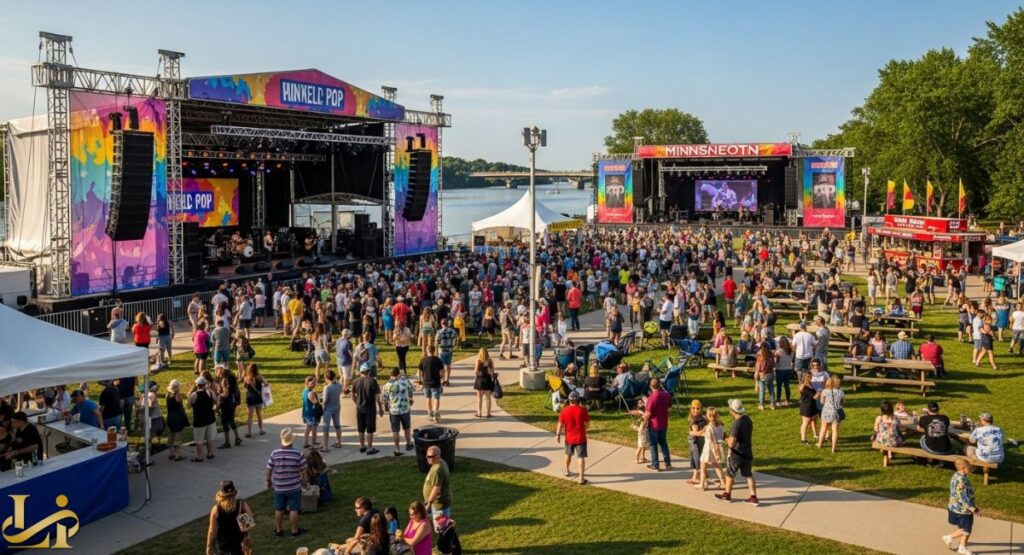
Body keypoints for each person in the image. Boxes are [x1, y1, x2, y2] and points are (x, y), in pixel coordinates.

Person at [714, 399, 758, 505]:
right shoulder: (747, 419)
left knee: (730, 474)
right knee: (748, 475)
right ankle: (753, 497)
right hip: (747, 452)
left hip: (737, 454)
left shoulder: (736, 424)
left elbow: (732, 442)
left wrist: (725, 439)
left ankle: (727, 494)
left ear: (732, 410)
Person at [265, 428, 308, 538]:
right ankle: (294, 530)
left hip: (279, 487)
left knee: (279, 509)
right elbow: (303, 470)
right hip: (294, 486)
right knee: (294, 509)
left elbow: (269, 469)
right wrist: (305, 482)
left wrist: (268, 481)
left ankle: (279, 530)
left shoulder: (274, 453)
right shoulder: (298, 454)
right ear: (292, 440)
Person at [205, 480, 254, 555]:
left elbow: (212, 529)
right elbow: (248, 525)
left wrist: (208, 545)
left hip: (222, 547)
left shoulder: (216, 509)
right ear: (234, 493)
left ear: (221, 494)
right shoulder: (242, 505)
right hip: (239, 545)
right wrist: (248, 537)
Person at [944, 459, 980, 555]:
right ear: (963, 468)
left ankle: (962, 547)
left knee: (965, 528)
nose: (971, 468)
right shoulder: (962, 481)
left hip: (955, 507)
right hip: (962, 510)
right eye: (969, 467)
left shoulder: (956, 475)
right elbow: (962, 498)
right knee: (966, 529)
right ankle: (949, 538)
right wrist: (973, 508)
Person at [556, 391, 591, 485]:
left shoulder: (564, 410)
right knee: (581, 457)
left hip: (569, 438)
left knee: (568, 454)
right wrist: (583, 428)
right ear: (578, 399)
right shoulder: (583, 410)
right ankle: (581, 478)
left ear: (569, 400)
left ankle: (567, 471)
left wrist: (558, 434)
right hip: (581, 438)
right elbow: (587, 425)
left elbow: (560, 424)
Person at [353, 363, 384, 455]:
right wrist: (380, 408)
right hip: (370, 408)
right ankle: (370, 448)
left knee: (361, 428)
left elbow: (353, 395)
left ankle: (362, 446)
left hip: (359, 408)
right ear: (369, 371)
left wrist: (357, 403)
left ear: (361, 371)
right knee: (370, 429)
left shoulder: (356, 381)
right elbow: (377, 397)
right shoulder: (372, 381)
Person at [383, 367, 415, 457]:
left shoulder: (387, 385)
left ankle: (397, 449)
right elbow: (411, 390)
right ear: (398, 374)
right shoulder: (405, 382)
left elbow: (384, 399)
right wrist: (410, 399)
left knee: (395, 430)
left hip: (393, 411)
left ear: (391, 375)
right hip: (405, 409)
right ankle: (409, 444)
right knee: (407, 428)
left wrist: (386, 407)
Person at [643, 377, 672, 472]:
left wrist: (641, 414)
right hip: (664, 423)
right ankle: (667, 463)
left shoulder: (651, 398)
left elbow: (648, 414)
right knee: (663, 443)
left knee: (653, 445)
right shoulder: (666, 395)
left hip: (653, 425)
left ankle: (655, 464)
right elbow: (669, 407)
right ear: (660, 384)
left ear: (651, 386)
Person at [697, 406, 726, 491]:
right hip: (718, 447)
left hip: (709, 448)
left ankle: (702, 484)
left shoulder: (709, 427)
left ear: (708, 416)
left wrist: (697, 433)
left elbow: (709, 438)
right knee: (716, 465)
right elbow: (721, 436)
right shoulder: (720, 426)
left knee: (703, 466)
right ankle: (723, 483)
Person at [188, 376, 217, 462]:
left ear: (197, 385)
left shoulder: (193, 395)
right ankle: (210, 453)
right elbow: (216, 401)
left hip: (199, 420)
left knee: (199, 440)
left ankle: (199, 457)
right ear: (205, 384)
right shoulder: (210, 392)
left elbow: (188, 406)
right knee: (209, 438)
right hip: (210, 419)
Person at [817, 375, 845, 453]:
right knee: (835, 430)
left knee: (823, 428)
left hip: (826, 411)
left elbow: (822, 402)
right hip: (836, 413)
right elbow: (842, 403)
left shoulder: (825, 391)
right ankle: (833, 448)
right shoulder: (841, 391)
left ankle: (819, 444)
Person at [423, 445, 453, 518]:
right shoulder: (441, 462)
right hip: (440, 503)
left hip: (438, 505)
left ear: (438, 456)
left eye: (431, 456)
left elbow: (436, 488)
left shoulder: (437, 469)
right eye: (427, 456)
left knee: (440, 528)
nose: (428, 459)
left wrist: (429, 504)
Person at [216, 365, 242, 449]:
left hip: (225, 404)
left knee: (224, 423)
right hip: (232, 403)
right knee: (231, 420)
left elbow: (225, 394)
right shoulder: (232, 379)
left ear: (223, 374)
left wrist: (219, 393)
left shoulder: (224, 381)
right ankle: (237, 437)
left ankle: (227, 442)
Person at [164, 380, 189, 461]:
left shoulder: (167, 395)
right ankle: (178, 455)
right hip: (178, 417)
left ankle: (171, 453)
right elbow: (181, 403)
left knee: (171, 434)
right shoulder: (178, 395)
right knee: (178, 436)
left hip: (170, 417)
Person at [419, 345, 445, 422]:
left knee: (428, 398)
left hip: (426, 383)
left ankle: (430, 413)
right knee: (436, 398)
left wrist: (420, 380)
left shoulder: (423, 360)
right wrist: (442, 379)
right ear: (434, 351)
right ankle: (436, 413)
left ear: (427, 351)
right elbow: (442, 372)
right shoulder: (438, 360)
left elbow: (420, 372)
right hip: (436, 382)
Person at [685, 399, 707, 485]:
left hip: (696, 442)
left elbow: (695, 433)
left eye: (698, 408)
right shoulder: (698, 418)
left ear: (701, 408)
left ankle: (698, 477)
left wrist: (691, 432)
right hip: (695, 442)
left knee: (697, 459)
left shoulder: (698, 419)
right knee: (694, 459)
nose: (695, 410)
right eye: (693, 408)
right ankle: (696, 477)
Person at [243, 364, 267, 437]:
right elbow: (266, 384)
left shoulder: (246, 378)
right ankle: (261, 429)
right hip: (258, 397)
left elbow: (245, 387)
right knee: (259, 414)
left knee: (250, 416)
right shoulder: (260, 377)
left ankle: (249, 432)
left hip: (250, 398)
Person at [321, 370, 343, 451]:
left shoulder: (327, 388)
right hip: (337, 406)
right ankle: (338, 442)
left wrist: (321, 400)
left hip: (328, 409)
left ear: (326, 378)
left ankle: (325, 446)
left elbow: (325, 400)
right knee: (337, 425)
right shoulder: (338, 385)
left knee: (326, 427)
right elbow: (340, 391)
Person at [473, 347, 496, 418]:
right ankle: (488, 413)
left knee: (479, 398)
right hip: (488, 380)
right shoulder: (490, 361)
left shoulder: (478, 360)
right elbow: (492, 371)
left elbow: (475, 372)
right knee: (488, 398)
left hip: (480, 380)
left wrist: (479, 372)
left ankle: (479, 413)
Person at [301, 375, 322, 449]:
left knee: (307, 428)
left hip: (306, 413)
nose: (314, 383)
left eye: (314, 382)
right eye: (312, 382)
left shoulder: (304, 391)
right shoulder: (311, 393)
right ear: (307, 383)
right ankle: (313, 443)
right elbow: (317, 403)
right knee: (314, 429)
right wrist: (317, 396)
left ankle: (305, 443)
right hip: (312, 414)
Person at [435, 319, 458, 386]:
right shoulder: (452, 331)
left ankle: (442, 380)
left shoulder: (439, 332)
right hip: (449, 349)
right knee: (448, 365)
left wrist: (438, 347)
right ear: (447, 324)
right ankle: (447, 380)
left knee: (441, 366)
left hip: (441, 350)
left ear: (441, 324)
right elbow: (456, 338)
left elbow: (436, 341)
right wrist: (454, 345)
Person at [754, 343, 776, 410]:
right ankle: (772, 405)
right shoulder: (770, 355)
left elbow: (758, 367)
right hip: (770, 375)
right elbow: (774, 365)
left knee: (762, 391)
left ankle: (762, 405)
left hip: (762, 375)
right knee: (771, 390)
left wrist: (756, 376)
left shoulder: (760, 357)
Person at [774, 336, 794, 406]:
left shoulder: (779, 351)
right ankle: (787, 400)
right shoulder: (790, 351)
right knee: (787, 385)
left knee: (779, 386)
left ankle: (778, 401)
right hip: (788, 369)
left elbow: (776, 361)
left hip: (780, 370)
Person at [336, 329, 354, 396]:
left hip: (339, 361)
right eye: (349, 334)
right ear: (347, 335)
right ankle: (344, 390)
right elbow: (351, 353)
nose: (350, 335)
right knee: (346, 377)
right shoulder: (348, 343)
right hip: (346, 362)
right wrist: (355, 361)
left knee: (341, 376)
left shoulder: (338, 340)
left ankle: (340, 390)